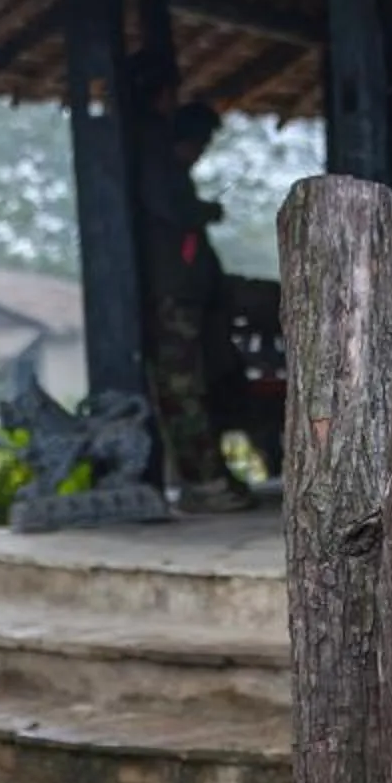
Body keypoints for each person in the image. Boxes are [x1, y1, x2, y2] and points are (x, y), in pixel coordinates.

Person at [132, 61, 252, 513]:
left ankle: (205, 475)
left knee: (197, 385)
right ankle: (201, 479)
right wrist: (203, 212)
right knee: (181, 390)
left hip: (190, 299)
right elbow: (176, 212)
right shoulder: (156, 165)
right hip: (173, 301)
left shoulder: (169, 170)